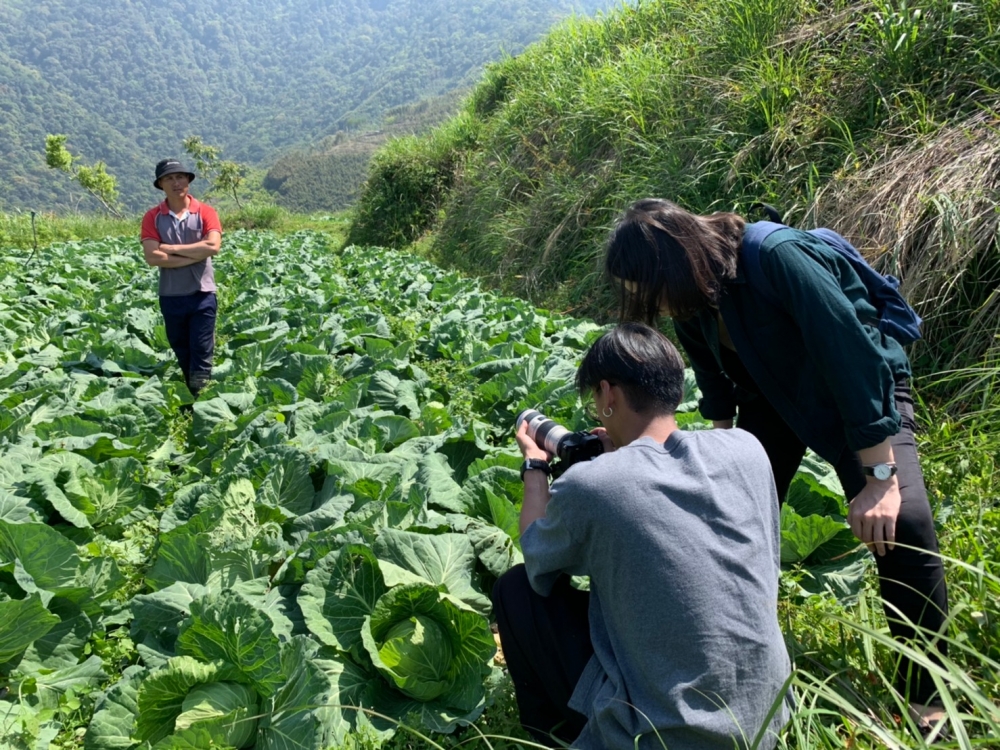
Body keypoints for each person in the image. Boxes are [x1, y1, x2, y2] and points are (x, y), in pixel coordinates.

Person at [603, 198, 949, 731]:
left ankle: (929, 693)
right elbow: (715, 383)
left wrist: (880, 478)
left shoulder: (775, 255)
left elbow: (851, 353)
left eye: (650, 290)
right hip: (775, 399)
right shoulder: (694, 301)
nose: (656, 306)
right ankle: (734, 652)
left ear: (675, 264)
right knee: (731, 514)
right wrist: (716, 466)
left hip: (858, 390)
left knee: (904, 524)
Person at [493, 323, 792, 749]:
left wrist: (536, 468)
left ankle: (558, 736)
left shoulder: (594, 484)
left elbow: (538, 557)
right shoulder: (747, 447)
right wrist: (622, 456)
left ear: (608, 394)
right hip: (767, 718)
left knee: (517, 589)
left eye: (596, 398)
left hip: (665, 736)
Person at [140, 159, 222, 398]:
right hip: (171, 294)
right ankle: (191, 391)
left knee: (202, 348)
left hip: (203, 292)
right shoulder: (152, 217)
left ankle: (201, 398)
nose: (176, 182)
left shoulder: (206, 212)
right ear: (160, 184)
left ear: (188, 180)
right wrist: (194, 255)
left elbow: (213, 247)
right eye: (169, 178)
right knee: (182, 349)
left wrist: (171, 248)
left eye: (181, 177)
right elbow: (153, 257)